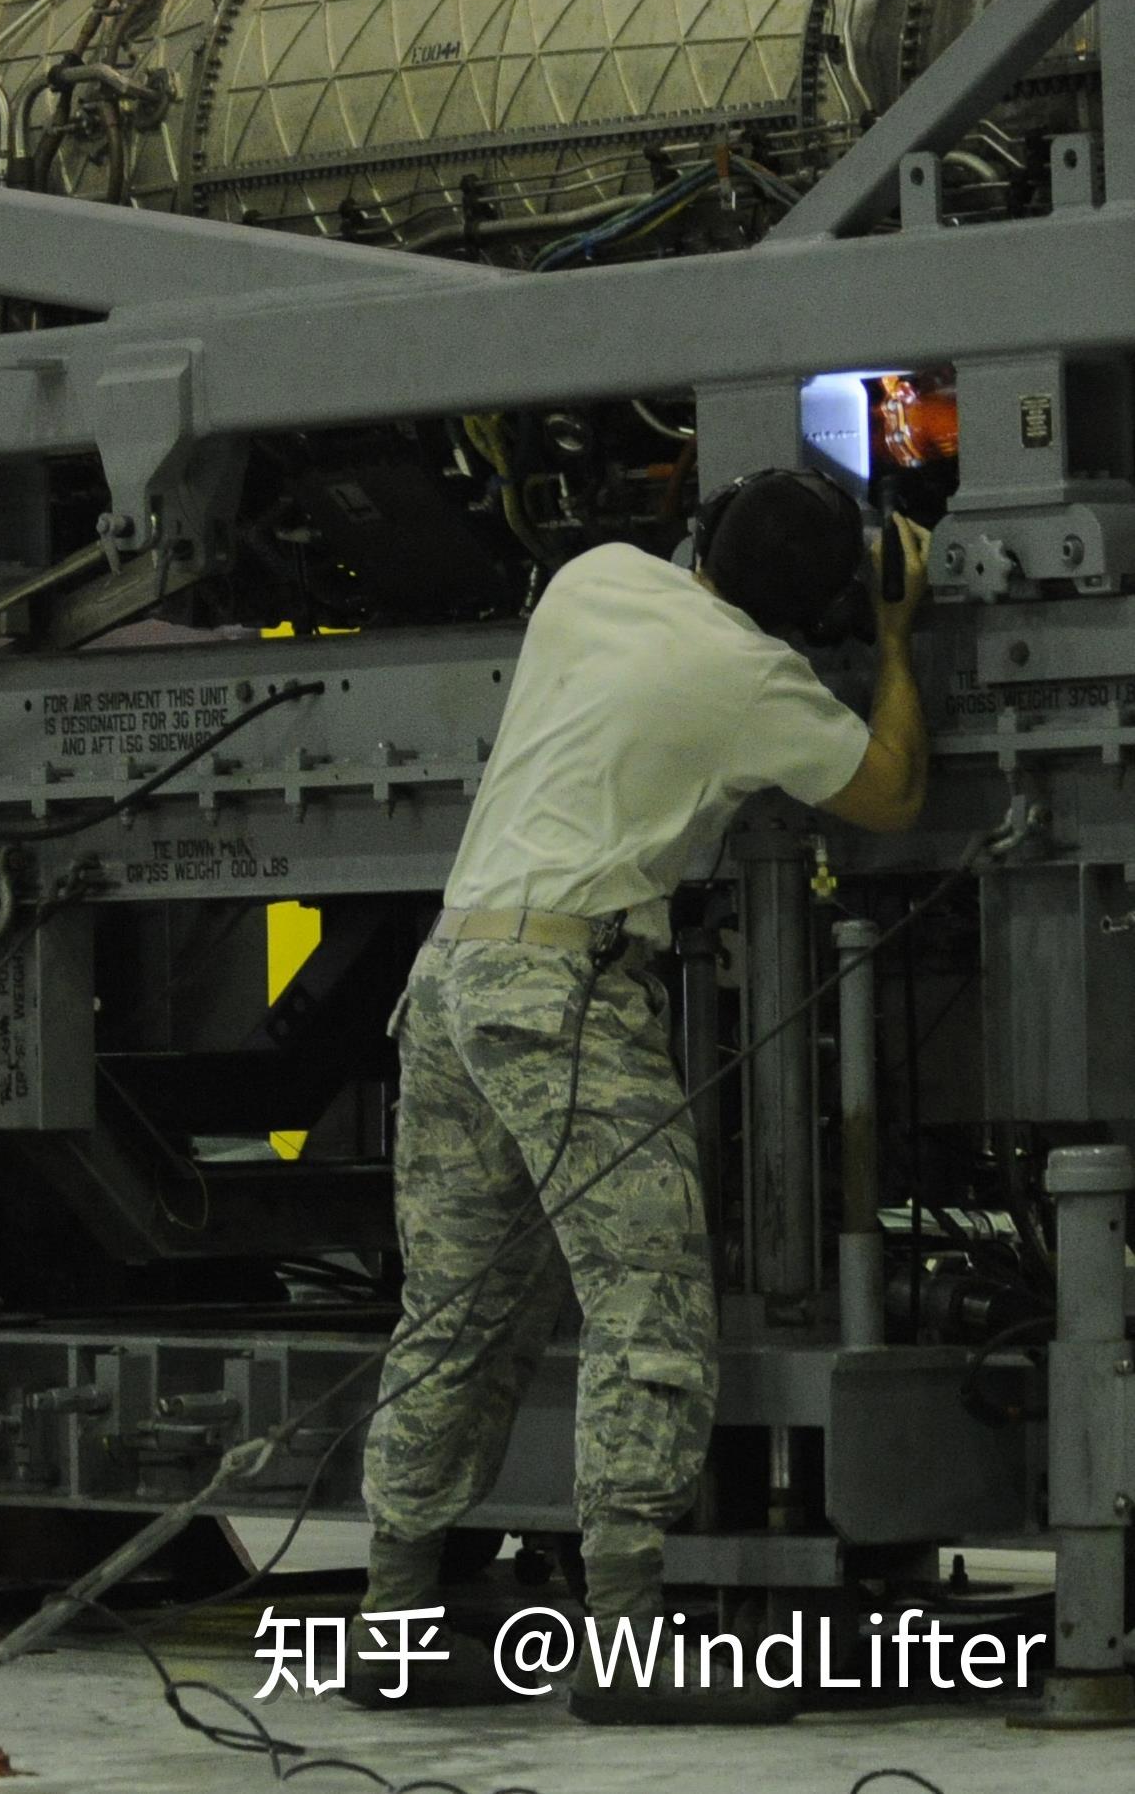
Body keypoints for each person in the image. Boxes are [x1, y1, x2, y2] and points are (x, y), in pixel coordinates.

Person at [348, 469, 929, 1722]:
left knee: (452, 1314)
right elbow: (890, 792)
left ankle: (393, 1622)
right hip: (561, 993)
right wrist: (892, 638)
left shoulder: (592, 577)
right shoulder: (755, 679)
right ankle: (625, 1642)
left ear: (702, 534)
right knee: (648, 1305)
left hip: (447, 980)